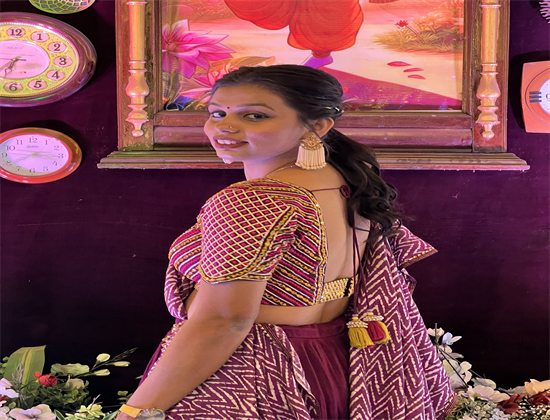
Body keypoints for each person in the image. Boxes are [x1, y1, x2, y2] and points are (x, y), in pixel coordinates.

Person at [116, 65, 455, 420]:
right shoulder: (348, 184)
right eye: (217, 113)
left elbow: (224, 321)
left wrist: (136, 412)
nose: (224, 127)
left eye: (254, 115)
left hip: (252, 374)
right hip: (331, 362)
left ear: (317, 126)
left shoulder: (254, 200)